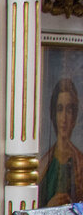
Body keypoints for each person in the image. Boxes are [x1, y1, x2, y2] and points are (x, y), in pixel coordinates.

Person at [39, 78, 83, 207]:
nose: (64, 118)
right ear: (54, 115)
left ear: (74, 117)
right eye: (60, 109)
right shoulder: (44, 162)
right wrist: (48, 207)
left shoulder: (80, 163)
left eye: (69, 110)